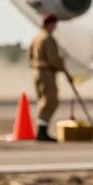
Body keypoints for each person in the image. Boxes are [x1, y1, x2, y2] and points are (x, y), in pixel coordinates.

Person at [27, 14, 65, 142]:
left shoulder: (36, 37)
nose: (55, 27)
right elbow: (53, 59)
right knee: (50, 101)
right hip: (46, 72)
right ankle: (42, 132)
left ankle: (42, 130)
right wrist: (63, 69)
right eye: (54, 24)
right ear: (50, 24)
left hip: (37, 71)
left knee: (43, 100)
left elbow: (30, 55)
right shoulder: (48, 39)